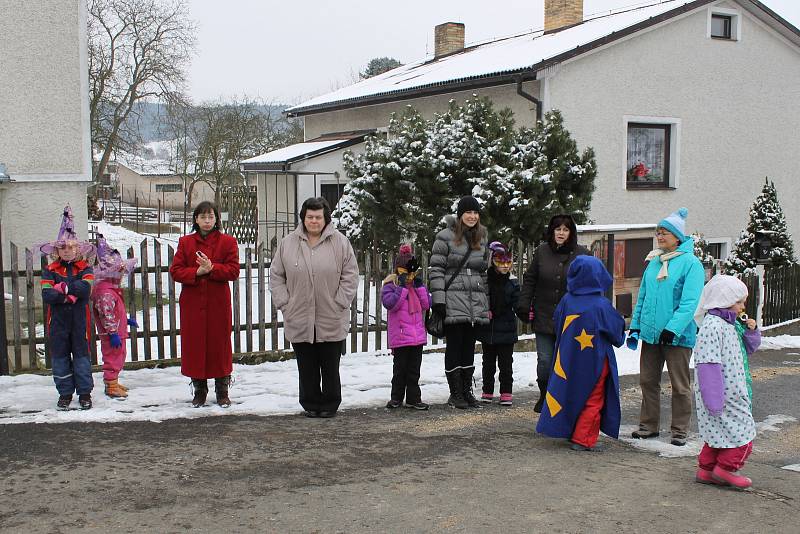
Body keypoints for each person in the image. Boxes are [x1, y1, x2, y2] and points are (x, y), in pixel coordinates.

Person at [269, 197, 359, 418]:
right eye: (310, 217)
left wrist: (340, 302)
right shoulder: (288, 243)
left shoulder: (340, 243)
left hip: (331, 314)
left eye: (318, 217)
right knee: (306, 366)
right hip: (299, 314)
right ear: (303, 218)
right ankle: (310, 403)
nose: (314, 221)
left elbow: (351, 275)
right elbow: (276, 276)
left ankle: (329, 404)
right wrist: (285, 304)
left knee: (330, 365)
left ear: (326, 218)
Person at [627, 207, 705, 446]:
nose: (660, 237)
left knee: (680, 385)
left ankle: (679, 430)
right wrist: (636, 325)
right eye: (658, 232)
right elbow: (643, 297)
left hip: (677, 337)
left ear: (678, 237)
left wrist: (673, 328)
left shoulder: (691, 264)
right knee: (648, 381)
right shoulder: (654, 262)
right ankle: (648, 425)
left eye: (665, 233)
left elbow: (690, 302)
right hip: (651, 335)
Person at [536, 255, 626, 451]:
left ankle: (568, 430)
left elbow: (557, 324)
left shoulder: (567, 300)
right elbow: (617, 333)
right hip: (595, 361)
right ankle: (583, 438)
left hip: (568, 359)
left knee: (570, 393)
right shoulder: (601, 305)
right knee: (593, 398)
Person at [693, 275, 761, 489]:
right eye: (739, 302)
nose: (742, 307)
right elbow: (708, 364)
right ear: (723, 300)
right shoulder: (713, 327)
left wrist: (751, 331)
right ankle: (726, 469)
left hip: (731, 390)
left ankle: (706, 469)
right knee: (742, 432)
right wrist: (714, 399)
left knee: (719, 432)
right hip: (722, 394)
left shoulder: (729, 323)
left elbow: (748, 348)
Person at [169, 201, 240, 408]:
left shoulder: (228, 242)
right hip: (193, 303)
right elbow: (175, 271)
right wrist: (196, 272)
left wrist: (212, 268)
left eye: (211, 217)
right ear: (196, 219)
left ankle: (222, 389)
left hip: (218, 303)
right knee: (195, 345)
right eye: (203, 217)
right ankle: (199, 389)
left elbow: (233, 271)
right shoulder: (186, 242)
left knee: (220, 345)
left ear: (217, 219)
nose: (207, 221)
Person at [516, 214, 589, 413]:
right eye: (558, 229)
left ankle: (565, 396)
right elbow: (530, 279)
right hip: (544, 315)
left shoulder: (582, 254)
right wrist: (524, 304)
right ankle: (545, 394)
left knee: (566, 360)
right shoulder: (542, 252)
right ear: (552, 231)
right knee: (546, 360)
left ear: (571, 232)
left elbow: (591, 283)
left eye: (565, 230)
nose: (561, 233)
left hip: (571, 320)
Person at [429, 195, 490, 409]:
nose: (472, 216)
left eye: (475, 212)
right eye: (468, 212)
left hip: (475, 300)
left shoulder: (482, 238)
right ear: (460, 214)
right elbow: (436, 269)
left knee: (469, 347)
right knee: (455, 345)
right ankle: (455, 393)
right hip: (453, 297)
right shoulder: (444, 237)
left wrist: (486, 303)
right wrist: (439, 301)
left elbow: (484, 273)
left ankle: (466, 390)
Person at [38, 206, 96, 410]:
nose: (67, 250)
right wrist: (69, 295)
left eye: (71, 247)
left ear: (77, 249)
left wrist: (62, 288)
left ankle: (84, 393)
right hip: (58, 324)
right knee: (60, 358)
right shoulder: (49, 270)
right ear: (57, 251)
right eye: (63, 247)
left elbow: (85, 289)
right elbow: (47, 295)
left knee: (81, 357)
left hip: (80, 322)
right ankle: (64, 393)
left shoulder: (85, 269)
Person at [382, 244, 431, 411]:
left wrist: (419, 287)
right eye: (405, 272)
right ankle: (396, 397)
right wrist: (402, 287)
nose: (409, 276)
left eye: (412, 272)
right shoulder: (391, 285)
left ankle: (413, 398)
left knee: (414, 371)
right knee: (400, 370)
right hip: (401, 337)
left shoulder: (417, 287)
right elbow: (391, 304)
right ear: (398, 270)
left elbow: (426, 304)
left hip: (416, 337)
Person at [91, 235, 138, 399]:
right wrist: (112, 333)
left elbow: (115, 311)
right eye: (120, 272)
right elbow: (106, 314)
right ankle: (111, 385)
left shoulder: (111, 290)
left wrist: (126, 320)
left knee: (119, 356)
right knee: (113, 358)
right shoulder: (105, 292)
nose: (122, 274)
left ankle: (113, 381)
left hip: (117, 330)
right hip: (112, 334)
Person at [477, 241, 520, 406]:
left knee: (506, 363)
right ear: (493, 261)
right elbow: (480, 298)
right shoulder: (486, 280)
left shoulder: (513, 282)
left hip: (507, 328)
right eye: (500, 262)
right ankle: (487, 390)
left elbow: (517, 302)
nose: (505, 266)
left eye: (508, 263)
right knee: (488, 363)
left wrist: (524, 310)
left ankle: (506, 392)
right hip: (488, 328)